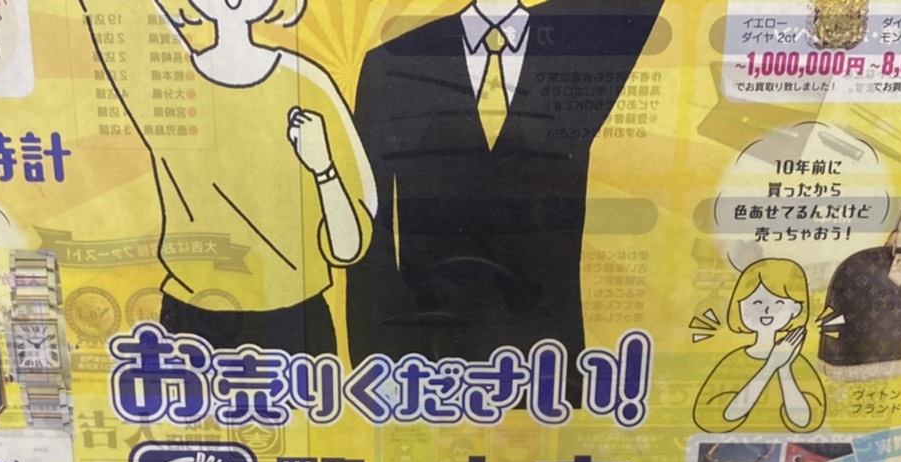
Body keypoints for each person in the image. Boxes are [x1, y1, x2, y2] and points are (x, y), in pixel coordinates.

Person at [347, 0, 666, 365]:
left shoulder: (579, 46)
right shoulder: (392, 62)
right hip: (430, 348)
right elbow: (370, 216)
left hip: (546, 351)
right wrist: (373, 356)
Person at [83, 0, 374, 355]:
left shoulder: (307, 83)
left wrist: (323, 167)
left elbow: (349, 247)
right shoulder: (168, 83)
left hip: (295, 319)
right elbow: (120, 14)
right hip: (195, 314)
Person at [693, 258, 826, 434]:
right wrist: (771, 365)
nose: (767, 311)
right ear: (739, 306)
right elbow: (715, 418)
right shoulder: (734, 361)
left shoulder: (797, 362)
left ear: (796, 309)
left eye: (779, 303)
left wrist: (784, 367)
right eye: (757, 303)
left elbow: (806, 422)